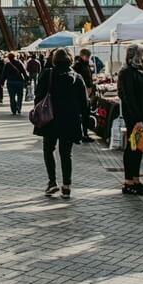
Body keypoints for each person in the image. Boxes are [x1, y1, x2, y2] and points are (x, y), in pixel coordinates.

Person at [32, 49, 87, 198]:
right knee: (66, 153)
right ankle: (67, 185)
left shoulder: (47, 74)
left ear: (54, 60)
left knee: (48, 149)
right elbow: (84, 104)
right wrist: (85, 124)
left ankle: (52, 182)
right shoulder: (77, 77)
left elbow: (38, 96)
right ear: (70, 60)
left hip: (50, 120)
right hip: (70, 121)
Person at [117, 43, 143, 195]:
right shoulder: (126, 72)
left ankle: (136, 179)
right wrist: (137, 118)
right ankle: (128, 182)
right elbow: (129, 97)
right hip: (135, 115)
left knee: (138, 147)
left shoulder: (140, 71)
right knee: (133, 148)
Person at [73, 48, 96, 144]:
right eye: (87, 56)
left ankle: (85, 133)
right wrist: (86, 88)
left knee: (86, 114)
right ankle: (80, 134)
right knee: (81, 114)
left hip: (88, 93)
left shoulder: (86, 65)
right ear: (82, 56)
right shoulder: (78, 66)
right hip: (81, 94)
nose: (88, 58)